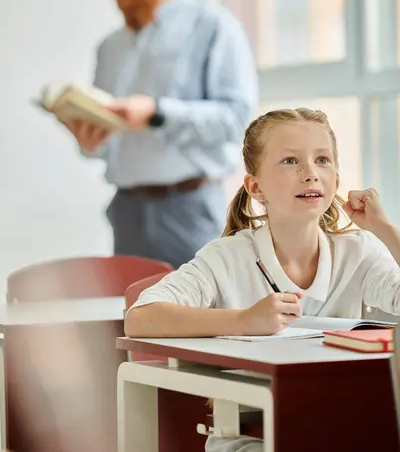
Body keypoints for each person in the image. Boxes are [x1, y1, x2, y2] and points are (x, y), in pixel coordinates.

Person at [125, 107, 400, 452]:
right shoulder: (226, 257)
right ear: (256, 187)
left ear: (337, 180)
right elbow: (141, 316)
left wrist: (386, 230)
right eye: (290, 161)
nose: (310, 173)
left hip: (343, 425)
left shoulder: (359, 252)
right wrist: (244, 320)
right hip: (250, 436)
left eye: (322, 160)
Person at [62, 0, 257, 267]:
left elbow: (235, 119)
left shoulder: (213, 27)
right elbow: (109, 141)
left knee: (201, 316)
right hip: (126, 211)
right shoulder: (110, 48)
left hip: (187, 209)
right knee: (131, 318)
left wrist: (157, 113)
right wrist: (90, 141)